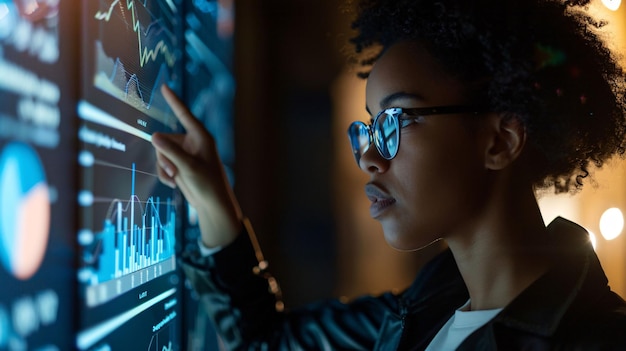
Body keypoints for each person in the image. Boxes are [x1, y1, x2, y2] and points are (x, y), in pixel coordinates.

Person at [151, 0, 626, 349]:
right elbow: (268, 343)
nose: (369, 157)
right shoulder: (419, 311)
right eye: (369, 127)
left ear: (500, 141)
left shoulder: (596, 341)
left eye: (396, 121)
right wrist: (214, 199)